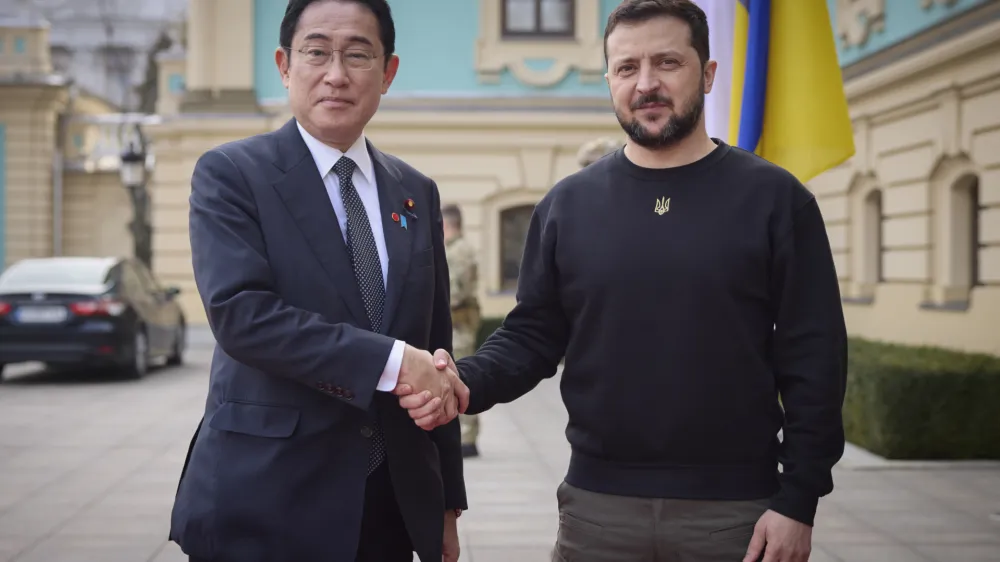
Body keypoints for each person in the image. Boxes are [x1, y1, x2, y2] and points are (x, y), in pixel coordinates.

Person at [400, 1, 848, 561]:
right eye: (627, 67)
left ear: (707, 74)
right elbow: (534, 335)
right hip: (596, 510)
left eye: (667, 63)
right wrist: (462, 381)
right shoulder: (568, 205)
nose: (646, 84)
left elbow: (815, 355)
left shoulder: (776, 200)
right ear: (609, 79)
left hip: (738, 514)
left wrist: (798, 500)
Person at [169, 1, 468, 561]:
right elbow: (242, 316)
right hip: (267, 502)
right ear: (285, 65)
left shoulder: (415, 191)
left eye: (358, 54)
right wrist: (393, 361)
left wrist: (446, 503)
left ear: (388, 73)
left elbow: (435, 353)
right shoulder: (232, 174)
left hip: (390, 506)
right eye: (316, 52)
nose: (336, 73)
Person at [442, 203, 483, 458]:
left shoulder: (459, 252)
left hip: (459, 324)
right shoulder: (455, 249)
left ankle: (467, 438)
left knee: (462, 374)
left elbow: (456, 292)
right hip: (457, 323)